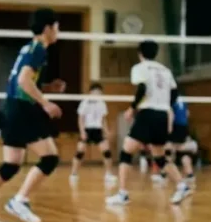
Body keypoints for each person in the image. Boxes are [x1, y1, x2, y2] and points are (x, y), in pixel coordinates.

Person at [0, 8, 64, 222]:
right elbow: (23, 82)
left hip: (13, 108)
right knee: (50, 158)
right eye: (56, 26)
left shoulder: (29, 48)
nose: (58, 31)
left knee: (11, 163)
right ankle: (20, 200)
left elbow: (26, 81)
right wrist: (46, 103)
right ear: (48, 28)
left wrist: (47, 87)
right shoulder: (39, 50)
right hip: (23, 109)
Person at [106, 40, 191, 206]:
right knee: (159, 156)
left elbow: (142, 88)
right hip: (162, 114)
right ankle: (181, 185)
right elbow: (174, 93)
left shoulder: (139, 68)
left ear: (140, 53)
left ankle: (123, 194)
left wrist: (132, 108)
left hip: (148, 113)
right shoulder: (165, 70)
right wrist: (165, 105)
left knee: (126, 151)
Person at [69, 83, 115, 184]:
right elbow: (81, 118)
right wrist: (82, 131)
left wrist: (106, 131)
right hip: (87, 129)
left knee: (107, 151)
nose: (98, 94)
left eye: (100, 92)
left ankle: (109, 174)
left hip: (98, 129)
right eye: (96, 92)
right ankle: (73, 173)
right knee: (80, 152)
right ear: (91, 92)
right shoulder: (85, 102)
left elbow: (103, 119)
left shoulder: (102, 103)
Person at [165, 93, 195, 185]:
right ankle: (190, 175)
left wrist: (169, 128)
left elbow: (170, 114)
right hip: (184, 127)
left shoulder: (170, 98)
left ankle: (163, 174)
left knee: (167, 148)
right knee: (183, 153)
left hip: (176, 126)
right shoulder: (183, 99)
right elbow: (187, 113)